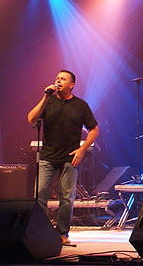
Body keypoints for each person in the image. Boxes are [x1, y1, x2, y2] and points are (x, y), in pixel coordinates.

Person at [27, 70, 99, 245]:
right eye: (57, 78)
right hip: (47, 156)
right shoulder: (48, 101)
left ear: (71, 85)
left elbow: (94, 129)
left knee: (66, 197)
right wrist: (45, 97)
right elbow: (31, 119)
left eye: (63, 79)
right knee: (40, 194)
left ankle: (62, 233)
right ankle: (41, 231)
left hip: (69, 157)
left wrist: (82, 150)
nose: (58, 80)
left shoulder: (80, 105)